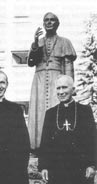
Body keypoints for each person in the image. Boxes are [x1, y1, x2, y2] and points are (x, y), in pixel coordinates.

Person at [39, 74, 97, 184]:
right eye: (58, 88)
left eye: (64, 88)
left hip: (80, 171)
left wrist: (92, 165)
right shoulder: (50, 113)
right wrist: (43, 167)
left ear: (73, 89)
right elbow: (45, 142)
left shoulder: (85, 111)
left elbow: (93, 140)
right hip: (57, 171)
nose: (61, 92)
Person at [28, 12, 77, 149]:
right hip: (39, 81)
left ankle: (57, 145)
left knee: (57, 111)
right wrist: (35, 44)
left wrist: (70, 86)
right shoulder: (38, 42)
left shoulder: (65, 42)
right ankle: (36, 146)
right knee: (38, 113)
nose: (49, 22)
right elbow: (31, 62)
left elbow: (68, 65)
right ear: (43, 24)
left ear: (57, 24)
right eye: (46, 20)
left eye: (52, 20)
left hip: (57, 79)